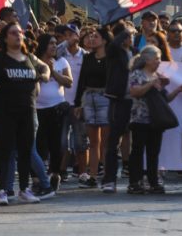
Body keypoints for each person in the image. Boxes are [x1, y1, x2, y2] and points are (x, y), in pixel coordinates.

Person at [0, 22, 51, 206]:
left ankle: (24, 189)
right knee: (5, 152)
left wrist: (45, 75)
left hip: (27, 110)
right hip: (5, 111)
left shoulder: (29, 57)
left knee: (25, 151)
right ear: (5, 38)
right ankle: (2, 191)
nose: (18, 35)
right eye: (13, 33)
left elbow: (45, 67)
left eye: (20, 32)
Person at [126, 45, 182, 194]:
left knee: (153, 152)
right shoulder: (137, 74)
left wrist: (178, 91)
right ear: (147, 60)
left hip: (155, 120)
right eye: (156, 59)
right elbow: (134, 92)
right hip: (140, 119)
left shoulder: (157, 75)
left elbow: (165, 99)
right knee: (138, 151)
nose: (159, 62)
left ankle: (153, 181)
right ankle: (135, 181)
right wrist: (151, 84)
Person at [34, 34, 72, 190]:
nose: (54, 46)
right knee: (38, 145)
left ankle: (55, 174)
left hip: (57, 108)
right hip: (37, 109)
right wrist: (43, 72)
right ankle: (36, 177)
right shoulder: (34, 61)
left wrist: (53, 72)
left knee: (57, 145)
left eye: (56, 43)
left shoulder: (61, 61)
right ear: (43, 45)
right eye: (51, 43)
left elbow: (68, 82)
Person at [101, 21, 136, 193]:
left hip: (136, 101)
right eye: (129, 35)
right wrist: (124, 31)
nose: (132, 38)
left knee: (137, 141)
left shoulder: (135, 52)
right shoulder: (114, 52)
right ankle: (110, 179)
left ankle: (136, 179)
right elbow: (114, 43)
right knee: (113, 140)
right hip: (119, 100)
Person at [74, 28, 111, 188]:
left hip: (106, 98)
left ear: (104, 40)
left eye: (96, 36)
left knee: (106, 141)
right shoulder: (88, 58)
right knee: (93, 141)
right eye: (91, 36)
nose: (92, 39)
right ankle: (93, 176)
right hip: (89, 98)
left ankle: (108, 176)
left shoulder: (111, 58)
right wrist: (78, 103)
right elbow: (81, 80)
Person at [57, 23, 88, 181]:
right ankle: (61, 171)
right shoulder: (60, 54)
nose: (68, 38)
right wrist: (65, 43)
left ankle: (82, 171)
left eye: (72, 34)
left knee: (80, 141)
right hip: (62, 103)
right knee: (62, 142)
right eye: (66, 35)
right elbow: (53, 52)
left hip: (79, 104)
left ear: (78, 36)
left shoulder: (85, 55)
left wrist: (82, 103)